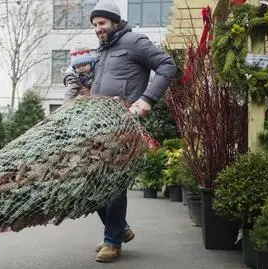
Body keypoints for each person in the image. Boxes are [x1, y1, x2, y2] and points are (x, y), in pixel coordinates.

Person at [89, 0, 177, 263]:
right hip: (99, 124)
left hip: (126, 123)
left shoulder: (134, 42)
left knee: (114, 181)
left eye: (102, 23)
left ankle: (112, 241)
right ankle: (121, 229)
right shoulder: (103, 50)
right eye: (95, 25)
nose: (98, 29)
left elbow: (167, 65)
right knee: (92, 181)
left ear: (115, 22)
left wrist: (147, 99)